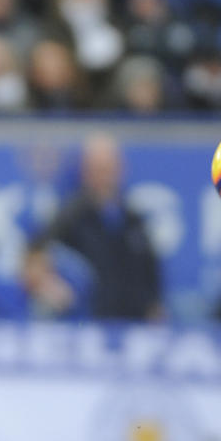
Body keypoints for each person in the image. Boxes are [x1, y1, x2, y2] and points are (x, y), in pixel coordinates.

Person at [46, 132, 162, 321]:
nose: (105, 177)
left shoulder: (135, 221)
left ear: (121, 170)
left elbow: (151, 276)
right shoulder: (70, 217)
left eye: (109, 169)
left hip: (132, 326)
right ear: (85, 172)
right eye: (98, 169)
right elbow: (37, 256)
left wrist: (153, 309)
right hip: (87, 327)